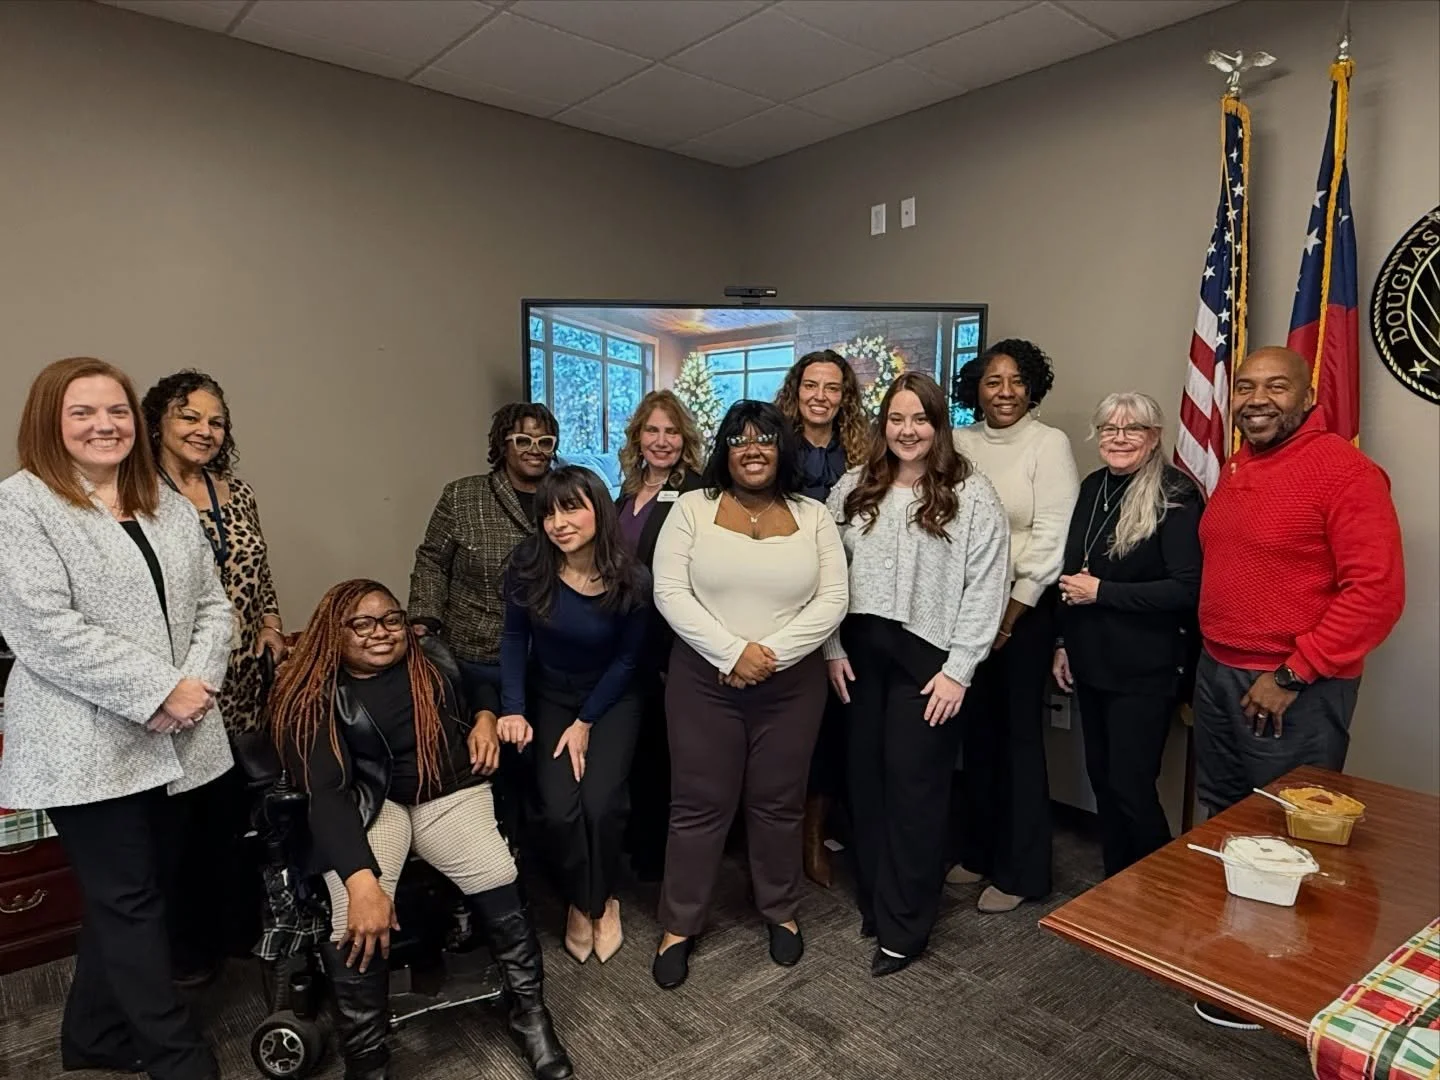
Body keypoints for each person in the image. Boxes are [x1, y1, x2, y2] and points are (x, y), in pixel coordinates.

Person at [0, 357, 233, 1080]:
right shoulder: (21, 505)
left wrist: (194, 686)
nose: (104, 425)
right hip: (86, 742)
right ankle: (177, 1059)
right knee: (131, 902)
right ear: (49, 421)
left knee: (137, 893)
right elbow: (43, 629)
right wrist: (160, 690)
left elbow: (214, 605)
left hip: (179, 736)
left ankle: (95, 1036)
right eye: (83, 412)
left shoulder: (161, 500)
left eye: (117, 411)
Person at [268, 580, 573, 1080]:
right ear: (334, 631)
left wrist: (483, 717)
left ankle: (529, 1014)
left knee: (498, 873)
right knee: (356, 916)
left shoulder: (430, 657)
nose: (381, 632)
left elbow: (478, 684)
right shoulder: (313, 695)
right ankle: (367, 1059)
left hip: (446, 791)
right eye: (362, 624)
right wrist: (362, 882)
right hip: (370, 804)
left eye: (391, 619)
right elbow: (327, 796)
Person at [1190, 346, 1405, 1030]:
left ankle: (1277, 980)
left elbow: (1375, 594)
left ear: (1308, 397)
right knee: (1227, 817)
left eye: (1276, 386)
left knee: (1288, 834)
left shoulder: (1345, 472)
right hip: (1220, 672)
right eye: (1246, 385)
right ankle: (1235, 958)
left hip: (1291, 688)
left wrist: (1292, 672)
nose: (1257, 398)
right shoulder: (1238, 465)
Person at [649, 400, 848, 990]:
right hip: (703, 682)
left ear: (782, 448)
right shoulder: (691, 508)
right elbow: (668, 591)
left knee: (778, 803)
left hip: (791, 687)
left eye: (765, 439)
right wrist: (732, 653)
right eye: (739, 440)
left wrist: (769, 656)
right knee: (698, 805)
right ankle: (679, 924)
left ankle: (780, 910)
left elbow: (833, 599)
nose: (753, 449)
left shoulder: (814, 516)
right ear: (725, 451)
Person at [824, 373, 1009, 976]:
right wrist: (830, 648)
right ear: (883, 424)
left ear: (938, 425)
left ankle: (905, 927)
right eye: (897, 419)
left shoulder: (971, 493)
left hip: (929, 664)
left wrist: (960, 670)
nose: (908, 431)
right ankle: (877, 904)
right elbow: (824, 571)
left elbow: (987, 585)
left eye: (921, 419)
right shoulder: (854, 485)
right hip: (858, 656)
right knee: (865, 786)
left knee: (914, 792)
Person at [142, 369, 286, 982]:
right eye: (190, 416)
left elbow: (260, 570)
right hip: (180, 683)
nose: (205, 430)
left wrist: (272, 623)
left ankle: (235, 928)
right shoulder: (136, 494)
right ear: (157, 421)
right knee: (181, 822)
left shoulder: (237, 492)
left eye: (216, 421)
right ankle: (187, 949)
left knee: (234, 813)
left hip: (244, 680)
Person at [499, 467, 650, 965]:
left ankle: (602, 901)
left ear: (599, 511)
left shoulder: (632, 578)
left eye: (570, 509)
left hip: (611, 699)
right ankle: (580, 901)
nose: (558, 523)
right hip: (550, 696)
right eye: (548, 513)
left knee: (601, 804)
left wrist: (585, 722)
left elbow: (627, 661)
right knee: (560, 809)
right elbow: (514, 638)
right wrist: (514, 709)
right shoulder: (527, 565)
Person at [950, 339, 1079, 913]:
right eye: (993, 381)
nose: (1005, 392)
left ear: (1032, 387)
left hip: (1021, 614)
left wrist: (1007, 618)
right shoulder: (959, 442)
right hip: (964, 611)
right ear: (975, 389)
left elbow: (1051, 538)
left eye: (1017, 381)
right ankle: (978, 850)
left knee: (1018, 741)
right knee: (975, 737)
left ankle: (1024, 871)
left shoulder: (1048, 444)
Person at [1052, 393, 1202, 878]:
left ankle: (1160, 892)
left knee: (1131, 786)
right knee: (1102, 779)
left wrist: (1104, 592)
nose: (1119, 438)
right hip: (1091, 658)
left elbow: (1186, 588)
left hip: (1145, 667)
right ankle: (1118, 883)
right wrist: (1062, 642)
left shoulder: (1175, 494)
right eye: (1110, 429)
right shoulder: (1093, 485)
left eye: (1132, 428)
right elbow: (1074, 570)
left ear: (1154, 437)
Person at [774, 348, 871, 887]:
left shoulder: (863, 452)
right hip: (783, 600)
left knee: (834, 725)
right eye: (811, 385)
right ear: (797, 389)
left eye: (832, 388)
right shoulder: (774, 445)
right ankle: (774, 831)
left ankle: (814, 833)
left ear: (844, 396)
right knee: (786, 724)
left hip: (846, 603)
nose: (821, 397)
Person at [613, 390, 705, 881]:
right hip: (626, 641)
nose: (662, 440)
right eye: (653, 430)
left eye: (671, 431)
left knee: (667, 753)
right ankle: (639, 842)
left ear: (684, 438)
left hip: (671, 645)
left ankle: (663, 858)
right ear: (638, 437)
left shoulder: (696, 493)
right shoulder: (626, 492)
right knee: (637, 747)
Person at [408, 402, 559, 697]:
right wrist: (424, 617)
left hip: (545, 655)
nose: (535, 450)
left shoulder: (565, 497)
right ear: (503, 445)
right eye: (523, 441)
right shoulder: (462, 496)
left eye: (545, 442)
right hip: (474, 652)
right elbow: (432, 561)